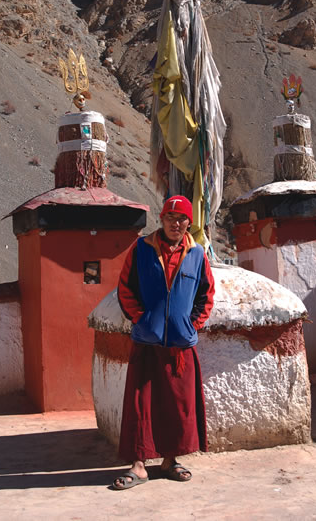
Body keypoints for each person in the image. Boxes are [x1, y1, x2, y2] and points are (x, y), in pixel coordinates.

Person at [112, 195, 215, 490]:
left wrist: (190, 324)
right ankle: (139, 465)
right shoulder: (142, 249)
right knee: (140, 405)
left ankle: (170, 460)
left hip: (180, 345)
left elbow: (206, 294)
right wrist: (141, 319)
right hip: (147, 341)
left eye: (182, 218)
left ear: (188, 223)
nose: (175, 223)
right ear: (162, 219)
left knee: (176, 406)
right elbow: (125, 288)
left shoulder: (197, 255)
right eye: (170, 217)